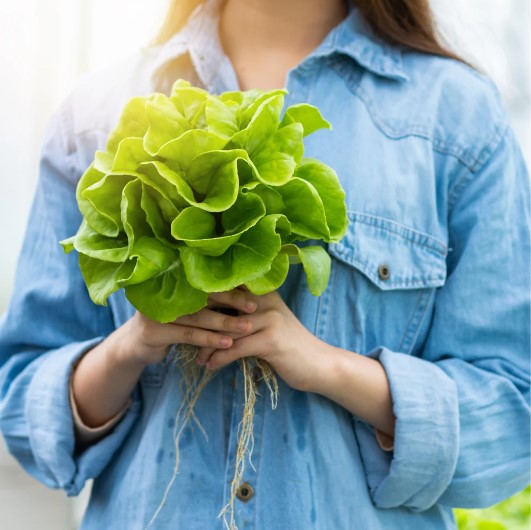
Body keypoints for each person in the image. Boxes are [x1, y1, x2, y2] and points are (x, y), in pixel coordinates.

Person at [0, 0, 529, 528]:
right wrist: (133, 344)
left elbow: (510, 418)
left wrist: (332, 369)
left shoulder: (456, 120)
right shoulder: (93, 116)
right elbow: (24, 408)